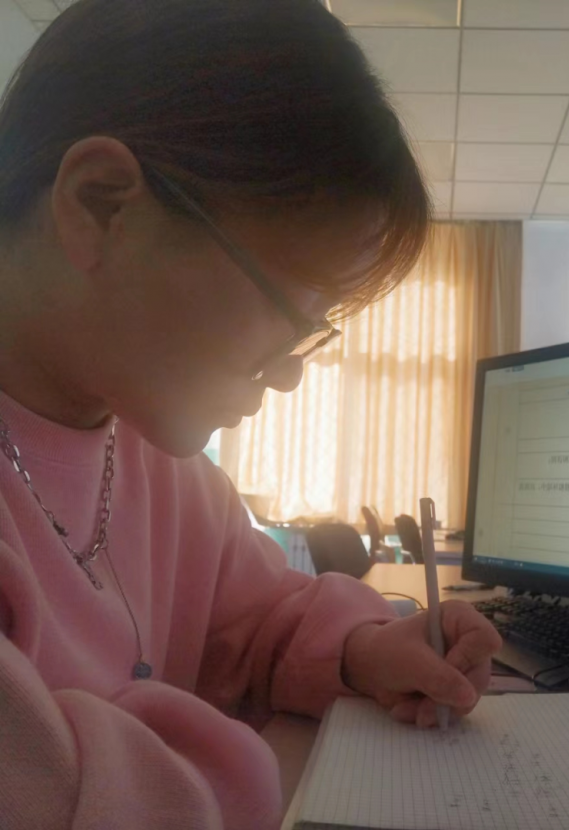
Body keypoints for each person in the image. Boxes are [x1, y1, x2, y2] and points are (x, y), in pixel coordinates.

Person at [0, 1, 502, 827]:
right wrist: (256, 767)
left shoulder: (166, 471)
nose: (290, 375)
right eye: (287, 312)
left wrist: (367, 649)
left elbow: (261, 619)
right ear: (101, 206)